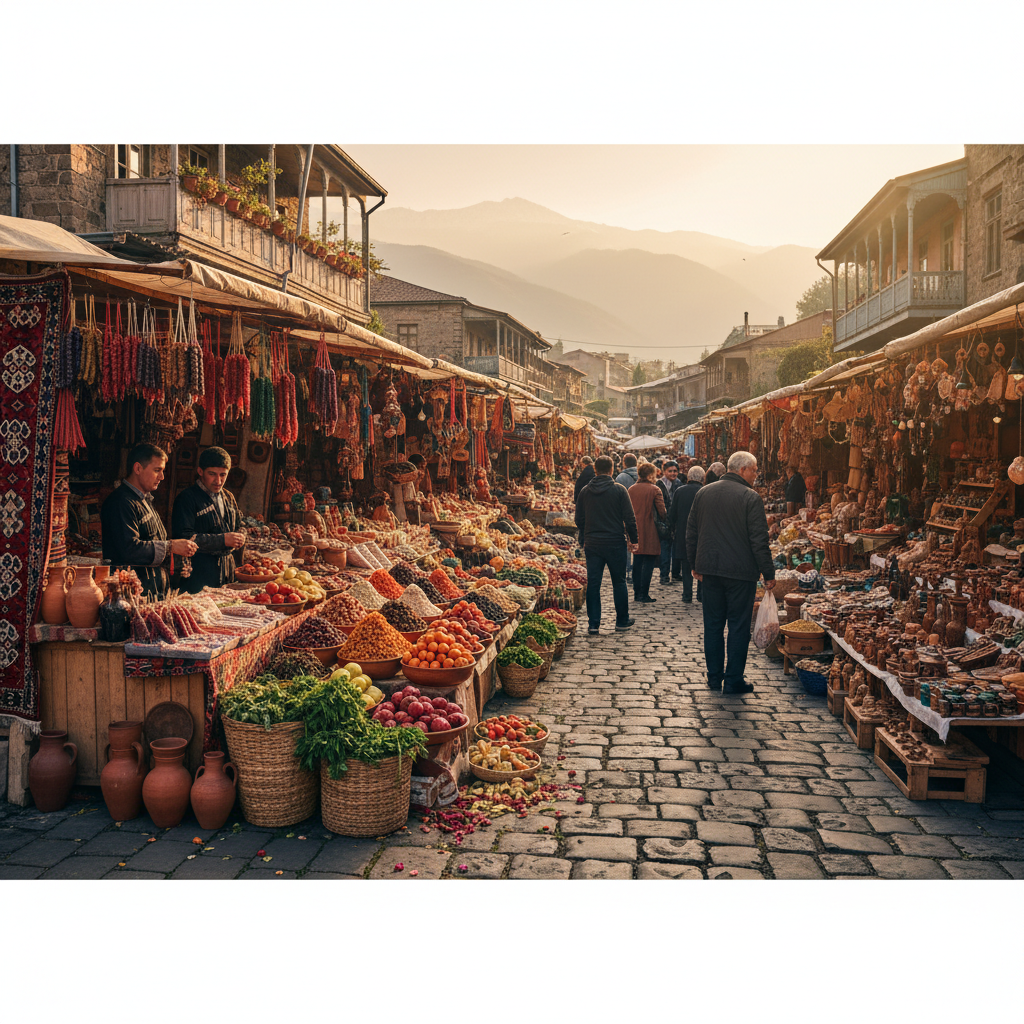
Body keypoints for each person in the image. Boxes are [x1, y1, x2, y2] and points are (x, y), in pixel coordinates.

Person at [685, 451, 775, 694]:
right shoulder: (750, 497)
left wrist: (694, 564)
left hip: (710, 571)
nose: (756, 475)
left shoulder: (704, 492)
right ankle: (733, 678)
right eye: (755, 470)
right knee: (737, 626)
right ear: (743, 469)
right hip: (740, 573)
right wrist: (768, 573)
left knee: (713, 626)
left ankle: (714, 677)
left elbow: (691, 531)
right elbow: (759, 540)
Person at [101, 442, 198, 600]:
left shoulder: (144, 500)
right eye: (157, 470)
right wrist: (170, 546)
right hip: (130, 596)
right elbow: (129, 549)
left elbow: (153, 541)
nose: (162, 477)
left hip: (151, 592)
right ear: (138, 468)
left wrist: (176, 560)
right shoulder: (120, 502)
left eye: (163, 471)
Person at [574, 455, 637, 635]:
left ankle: (594, 624)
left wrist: (588, 532)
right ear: (612, 470)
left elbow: (579, 519)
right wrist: (634, 539)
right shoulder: (619, 490)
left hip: (593, 544)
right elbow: (630, 518)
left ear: (595, 470)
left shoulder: (585, 491)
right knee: (619, 581)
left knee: (594, 583)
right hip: (615, 542)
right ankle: (622, 621)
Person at [171, 446, 246, 594]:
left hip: (227, 573)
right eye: (212, 474)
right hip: (198, 575)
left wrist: (241, 534)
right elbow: (184, 538)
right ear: (200, 471)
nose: (218, 481)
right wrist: (222, 540)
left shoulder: (229, 497)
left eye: (223, 475)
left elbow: (240, 524)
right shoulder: (186, 498)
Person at [628, 463, 667, 603]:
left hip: (635, 530)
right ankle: (644, 594)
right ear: (651, 475)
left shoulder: (631, 489)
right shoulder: (655, 490)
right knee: (649, 562)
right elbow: (662, 512)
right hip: (650, 530)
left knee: (637, 561)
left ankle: (636, 592)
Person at [669, 464, 704, 601]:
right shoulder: (704, 491)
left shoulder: (679, 491)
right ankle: (700, 595)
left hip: (683, 533)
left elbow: (673, 514)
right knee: (701, 564)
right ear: (702, 478)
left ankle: (687, 594)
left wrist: (672, 530)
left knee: (686, 564)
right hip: (701, 533)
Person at [656, 461, 683, 585]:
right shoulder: (659, 484)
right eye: (670, 471)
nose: (673, 473)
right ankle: (664, 575)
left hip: (677, 521)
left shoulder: (679, 484)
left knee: (677, 548)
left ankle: (676, 573)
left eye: (675, 471)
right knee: (665, 548)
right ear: (664, 471)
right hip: (664, 522)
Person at [615, 454, 639, 582]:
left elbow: (616, 497)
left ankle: (627, 569)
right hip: (640, 512)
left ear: (624, 463)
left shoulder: (621, 477)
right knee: (638, 540)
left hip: (625, 512)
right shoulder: (643, 475)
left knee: (626, 541)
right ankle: (638, 569)